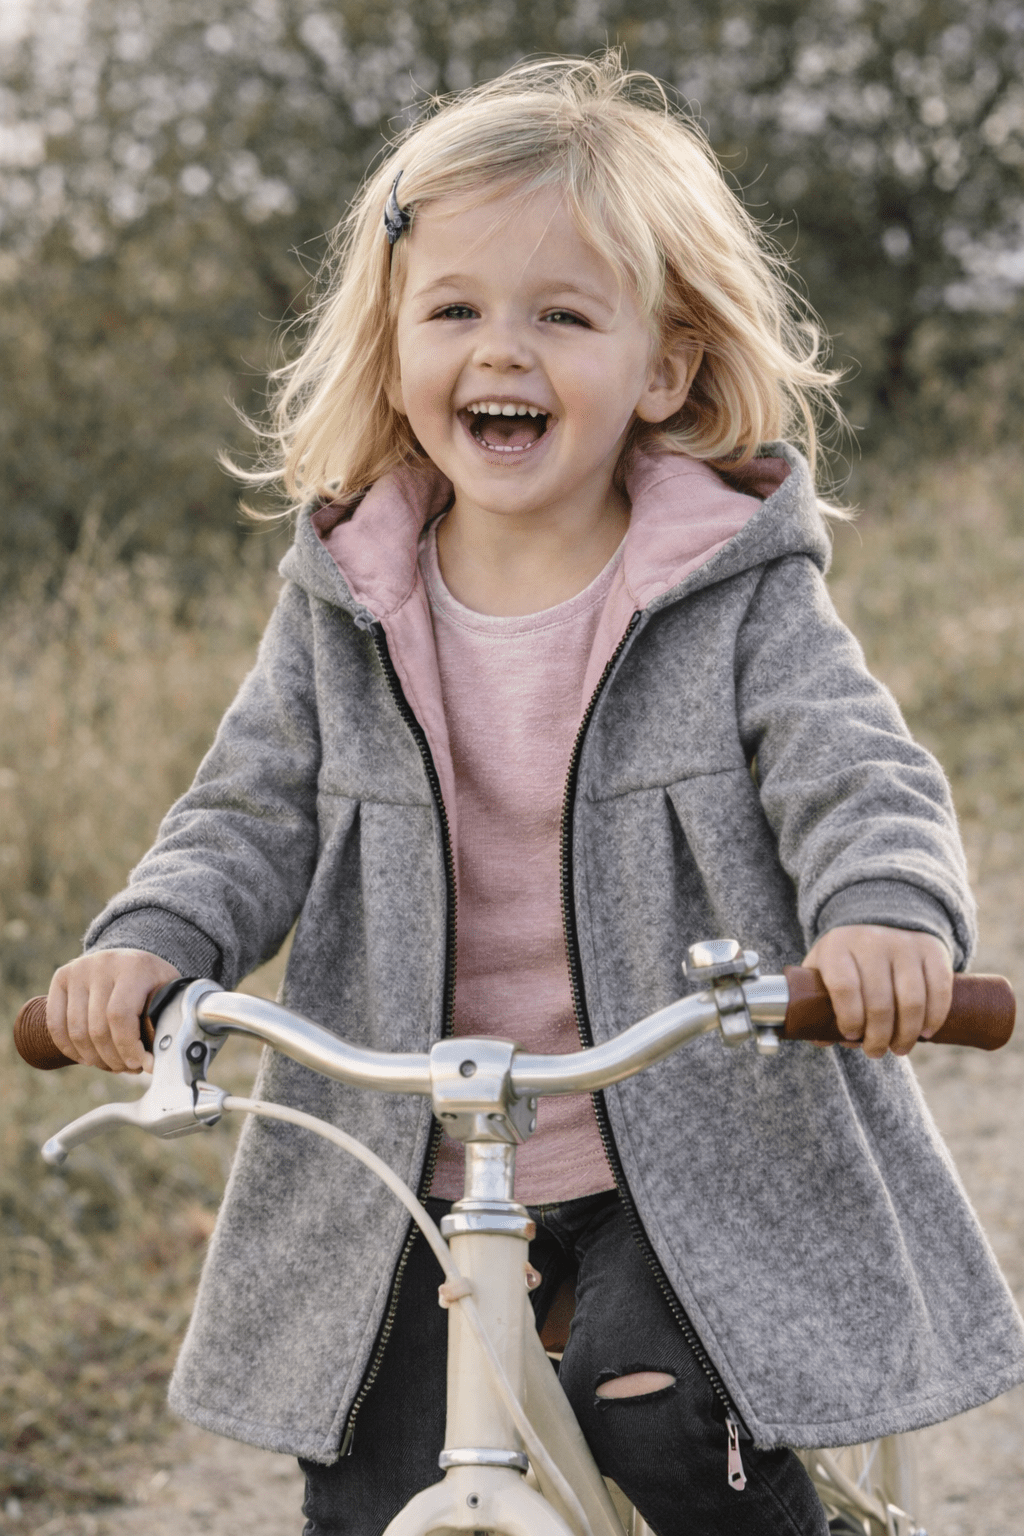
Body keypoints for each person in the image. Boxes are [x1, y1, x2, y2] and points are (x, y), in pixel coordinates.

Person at [43, 53, 1024, 1536]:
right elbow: (248, 810)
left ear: (667, 366)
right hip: (402, 1154)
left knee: (666, 1413)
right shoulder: (347, 597)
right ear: (394, 345)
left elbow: (853, 767)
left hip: (684, 1136)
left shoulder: (729, 586)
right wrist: (152, 943)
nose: (503, 352)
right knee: (376, 1482)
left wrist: (884, 910)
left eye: (563, 315)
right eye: (455, 311)